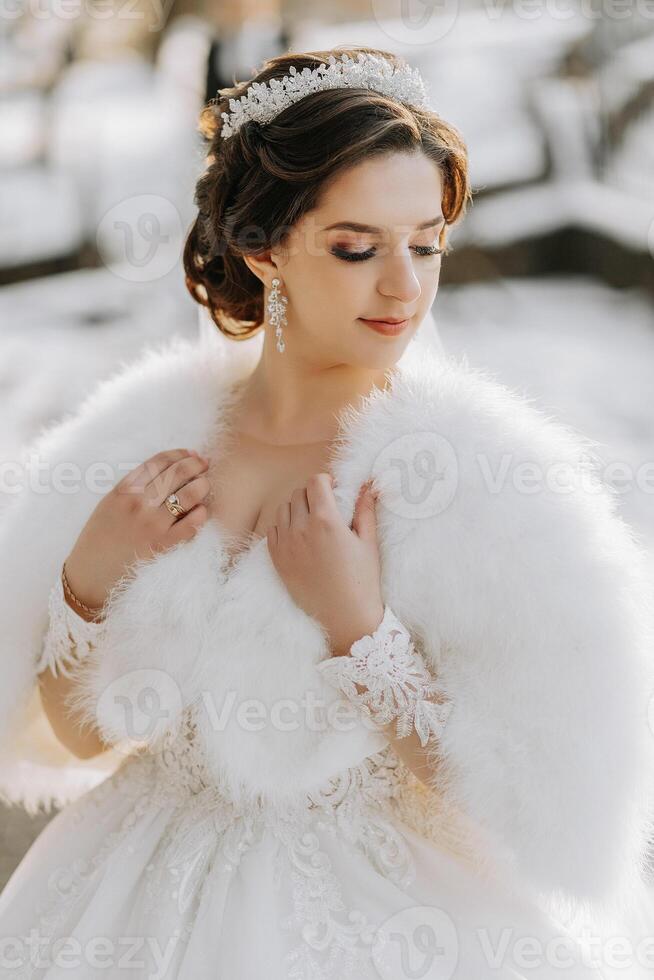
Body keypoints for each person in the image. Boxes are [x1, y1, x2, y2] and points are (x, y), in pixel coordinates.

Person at [1, 46, 653, 980]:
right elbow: (79, 737)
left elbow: (532, 804)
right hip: (133, 892)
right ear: (263, 249)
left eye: (425, 244)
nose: (404, 286)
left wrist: (360, 631)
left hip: (392, 918)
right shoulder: (145, 444)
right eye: (357, 248)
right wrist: (87, 582)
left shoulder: (476, 482)